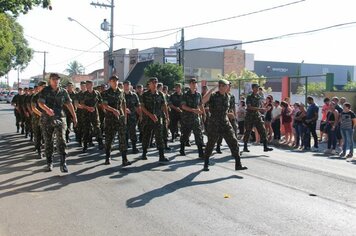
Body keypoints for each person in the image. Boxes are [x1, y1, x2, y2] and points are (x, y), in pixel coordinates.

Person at [202, 79, 247, 171]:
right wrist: (211, 90)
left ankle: (238, 164)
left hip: (225, 122)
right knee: (211, 143)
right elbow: (203, 101)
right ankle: (206, 163)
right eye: (222, 86)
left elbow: (226, 110)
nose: (226, 87)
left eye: (226, 86)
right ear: (220, 86)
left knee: (234, 142)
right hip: (214, 123)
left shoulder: (228, 97)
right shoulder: (214, 95)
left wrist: (230, 115)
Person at [38, 73, 77, 172]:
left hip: (60, 118)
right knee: (48, 141)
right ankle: (49, 163)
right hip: (47, 119)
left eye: (57, 79)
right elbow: (40, 103)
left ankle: (63, 163)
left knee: (62, 140)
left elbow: (69, 103)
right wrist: (47, 110)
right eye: (53, 79)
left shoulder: (63, 92)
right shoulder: (45, 90)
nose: (56, 81)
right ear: (50, 80)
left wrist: (74, 116)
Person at [101, 75, 131, 166]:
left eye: (117, 80)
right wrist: (113, 110)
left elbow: (123, 104)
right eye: (113, 81)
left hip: (120, 118)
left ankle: (124, 159)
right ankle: (107, 157)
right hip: (110, 118)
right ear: (110, 82)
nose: (115, 82)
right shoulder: (105, 93)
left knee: (122, 138)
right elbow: (104, 105)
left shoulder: (121, 92)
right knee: (109, 138)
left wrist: (125, 117)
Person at [140, 77, 170, 163]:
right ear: (149, 84)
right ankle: (144, 153)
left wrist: (167, 117)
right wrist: (150, 115)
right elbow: (142, 107)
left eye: (156, 82)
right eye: (152, 82)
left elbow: (164, 106)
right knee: (146, 135)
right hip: (148, 119)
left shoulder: (161, 94)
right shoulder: (145, 95)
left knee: (159, 136)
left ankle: (161, 155)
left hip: (158, 118)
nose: (154, 84)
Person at [243, 83, 273, 152]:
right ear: (253, 88)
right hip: (249, 115)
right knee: (248, 131)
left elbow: (261, 105)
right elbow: (249, 107)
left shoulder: (259, 96)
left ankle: (265, 146)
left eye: (258, 88)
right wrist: (260, 109)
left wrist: (265, 108)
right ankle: (245, 146)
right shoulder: (249, 96)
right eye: (256, 88)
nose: (257, 89)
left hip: (257, 115)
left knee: (262, 130)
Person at [179, 78, 204, 158]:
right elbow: (183, 106)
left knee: (198, 134)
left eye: (195, 83)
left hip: (196, 119)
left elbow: (200, 105)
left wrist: (203, 113)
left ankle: (200, 153)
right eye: (192, 83)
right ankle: (182, 148)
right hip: (186, 118)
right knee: (185, 134)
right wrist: (194, 110)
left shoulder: (198, 95)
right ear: (189, 84)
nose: (194, 84)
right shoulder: (185, 95)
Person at [80, 80, 104, 153]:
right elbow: (82, 104)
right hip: (86, 114)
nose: (88, 86)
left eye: (89, 84)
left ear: (92, 85)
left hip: (94, 114)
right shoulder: (83, 94)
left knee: (97, 128)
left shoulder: (97, 93)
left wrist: (102, 109)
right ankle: (85, 145)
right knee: (86, 129)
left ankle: (100, 143)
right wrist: (88, 108)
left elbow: (100, 102)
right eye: (87, 85)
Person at [123, 80, 140, 154]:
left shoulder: (134, 95)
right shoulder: (120, 95)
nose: (126, 86)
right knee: (124, 132)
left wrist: (140, 115)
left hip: (132, 117)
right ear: (123, 86)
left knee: (133, 132)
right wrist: (124, 110)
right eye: (125, 85)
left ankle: (134, 147)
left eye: (128, 85)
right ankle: (125, 147)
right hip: (123, 117)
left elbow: (137, 106)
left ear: (130, 86)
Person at [30, 81, 47, 158]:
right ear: (39, 87)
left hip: (47, 120)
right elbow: (34, 108)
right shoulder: (35, 96)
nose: (44, 88)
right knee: (38, 135)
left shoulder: (48, 96)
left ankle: (46, 151)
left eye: (45, 86)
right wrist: (42, 114)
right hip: (37, 119)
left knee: (46, 136)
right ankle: (39, 151)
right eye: (42, 86)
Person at [75, 81, 87, 146]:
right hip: (80, 113)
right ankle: (80, 140)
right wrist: (84, 107)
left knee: (88, 127)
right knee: (80, 127)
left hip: (87, 113)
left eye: (84, 85)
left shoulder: (88, 93)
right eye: (82, 86)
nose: (83, 87)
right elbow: (76, 104)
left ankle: (88, 141)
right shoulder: (77, 94)